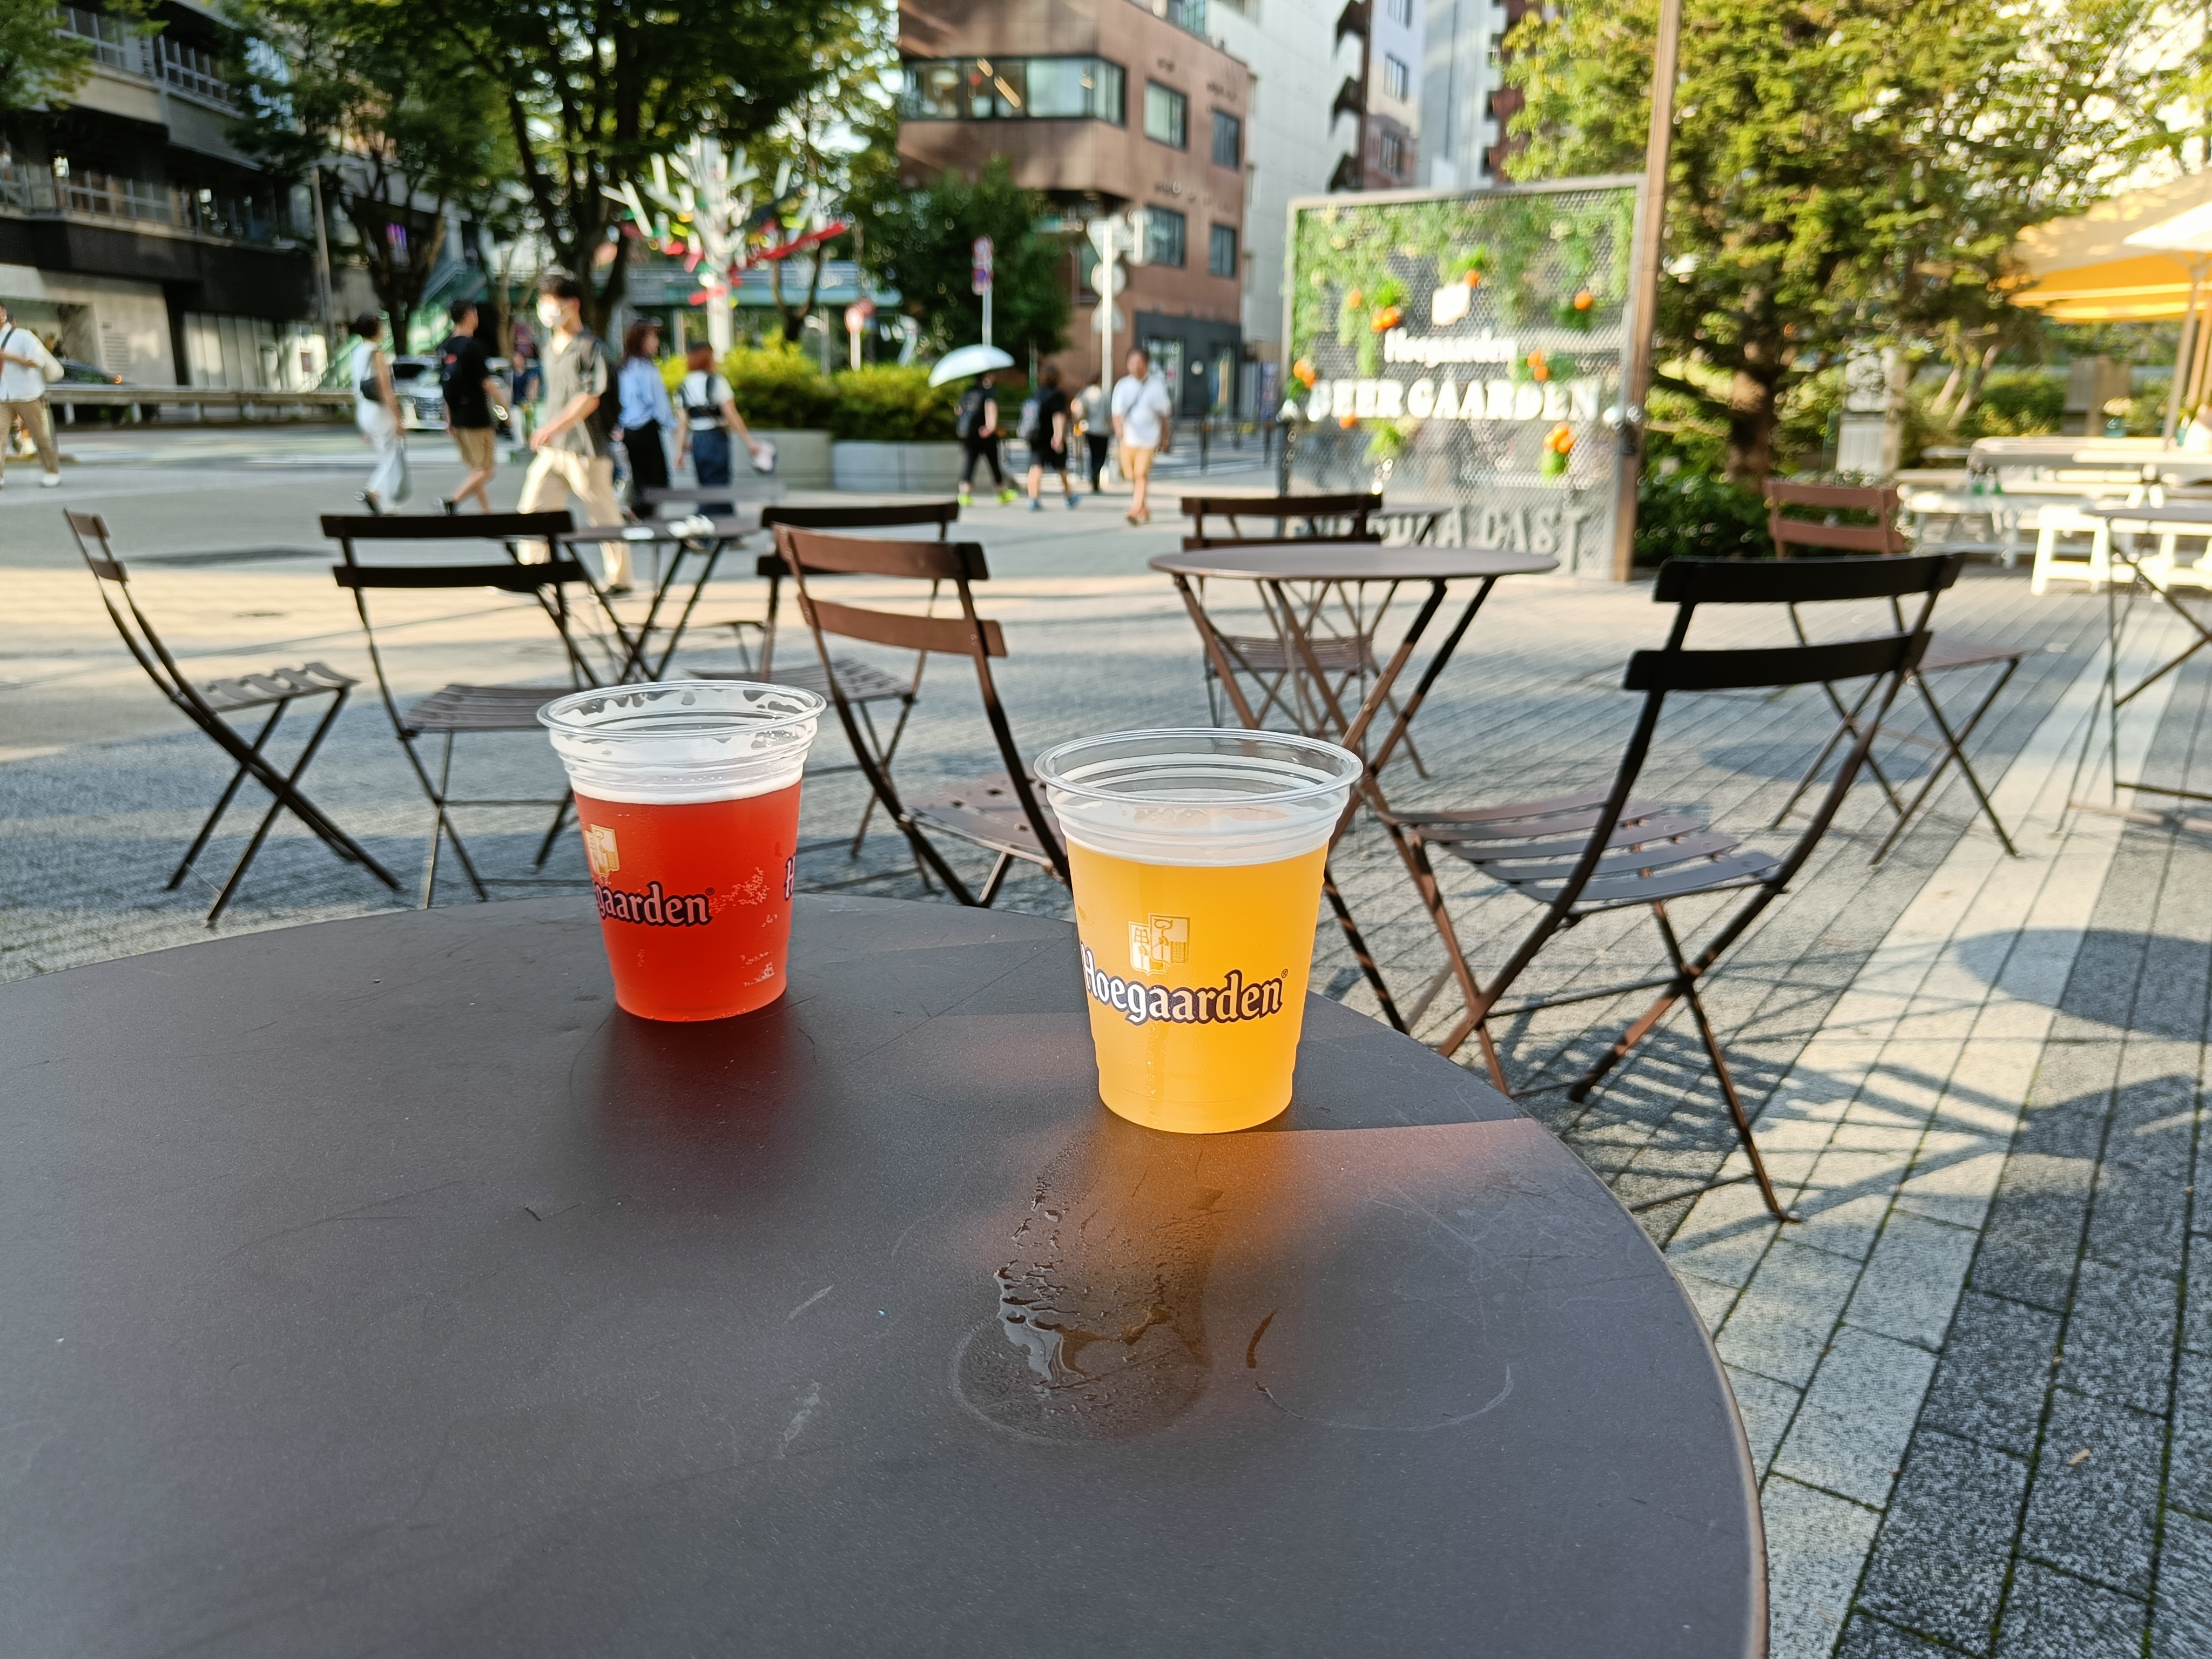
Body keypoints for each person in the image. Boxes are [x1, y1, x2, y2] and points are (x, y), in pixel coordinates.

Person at [516, 273, 630, 590]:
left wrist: (551, 427)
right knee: (533, 509)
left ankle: (621, 579)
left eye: (553, 302)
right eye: (543, 302)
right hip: (553, 449)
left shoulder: (592, 348)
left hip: (587, 449)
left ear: (573, 305)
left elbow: (590, 398)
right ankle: (531, 574)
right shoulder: (550, 348)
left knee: (603, 516)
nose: (547, 309)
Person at [675, 341, 767, 517]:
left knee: (706, 484)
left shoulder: (684, 385)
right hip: (716, 438)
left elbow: (682, 423)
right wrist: (750, 443)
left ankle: (719, 524)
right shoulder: (717, 382)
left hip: (698, 441)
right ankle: (708, 522)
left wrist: (679, 451)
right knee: (718, 485)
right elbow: (732, 415)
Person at [435, 299, 502, 514]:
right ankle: (452, 501)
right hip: (477, 416)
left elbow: (445, 386)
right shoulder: (475, 347)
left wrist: (448, 419)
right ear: (470, 315)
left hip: (457, 416)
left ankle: (487, 513)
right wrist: (505, 408)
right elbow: (487, 383)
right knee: (487, 470)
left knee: (476, 469)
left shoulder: (445, 348)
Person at [0, 301, 62, 490]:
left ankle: (52, 472)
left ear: (3, 313)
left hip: (27, 395)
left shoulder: (23, 336)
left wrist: (9, 357)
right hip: (3, 397)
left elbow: (38, 362)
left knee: (40, 436)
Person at [348, 313, 406, 514]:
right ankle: (373, 492)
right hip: (379, 411)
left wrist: (364, 427)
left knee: (386, 455)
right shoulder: (377, 353)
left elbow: (356, 387)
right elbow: (385, 388)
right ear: (377, 329)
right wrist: (399, 417)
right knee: (393, 455)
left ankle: (389, 505)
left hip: (364, 410)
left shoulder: (357, 352)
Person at [1110, 347, 1174, 524]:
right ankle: (1144, 508)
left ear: (1146, 364)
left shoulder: (1156, 386)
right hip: (1128, 439)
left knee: (1141, 473)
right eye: (1132, 362)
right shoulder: (1122, 385)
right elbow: (1116, 413)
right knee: (1132, 475)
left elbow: (1164, 415)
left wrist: (1165, 437)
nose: (1135, 366)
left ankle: (1136, 508)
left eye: (1139, 362)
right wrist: (1119, 430)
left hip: (1149, 439)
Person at [614, 320, 675, 503]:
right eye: (652, 337)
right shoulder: (647, 369)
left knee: (638, 481)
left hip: (627, 431)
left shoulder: (622, 367)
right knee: (657, 482)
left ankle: (637, 512)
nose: (657, 342)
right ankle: (646, 515)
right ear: (640, 340)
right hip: (647, 429)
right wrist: (675, 427)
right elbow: (660, 403)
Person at [955, 374, 1017, 507]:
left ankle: (964, 494)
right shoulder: (988, 392)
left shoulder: (968, 391)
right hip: (985, 433)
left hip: (968, 433)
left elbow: (958, 410)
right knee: (994, 462)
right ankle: (1001, 493)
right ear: (986, 376)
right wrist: (991, 427)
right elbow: (990, 407)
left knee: (970, 462)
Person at [1025, 363, 1076, 511]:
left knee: (1036, 467)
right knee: (1061, 467)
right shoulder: (1058, 395)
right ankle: (1069, 496)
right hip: (1051, 436)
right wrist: (1058, 436)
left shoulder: (1037, 394)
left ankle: (1033, 498)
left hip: (1035, 436)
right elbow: (1059, 416)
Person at [1074, 379, 1110, 496]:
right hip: (1103, 430)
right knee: (1101, 455)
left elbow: (1078, 408)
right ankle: (1096, 471)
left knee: (1091, 453)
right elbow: (1109, 411)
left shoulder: (1085, 393)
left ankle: (1092, 473)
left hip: (1089, 428)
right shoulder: (1104, 394)